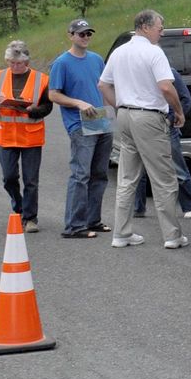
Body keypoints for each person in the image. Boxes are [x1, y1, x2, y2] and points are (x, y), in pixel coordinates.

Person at [98, 9, 187, 250]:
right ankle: (172, 235)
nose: (162, 31)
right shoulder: (153, 52)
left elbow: (103, 84)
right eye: (160, 27)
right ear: (145, 27)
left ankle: (121, 233)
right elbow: (166, 88)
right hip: (148, 117)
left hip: (126, 115)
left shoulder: (119, 52)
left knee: (127, 177)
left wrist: (120, 105)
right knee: (164, 179)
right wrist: (178, 111)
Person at [48, 18, 113, 240]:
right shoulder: (62, 63)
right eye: (81, 34)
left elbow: (104, 86)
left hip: (101, 120)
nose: (85, 37)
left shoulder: (96, 60)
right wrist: (78, 102)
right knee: (81, 174)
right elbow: (53, 94)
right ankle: (74, 225)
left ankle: (92, 220)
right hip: (79, 123)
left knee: (100, 173)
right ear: (71, 36)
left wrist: (116, 106)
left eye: (88, 34)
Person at [0, 40, 52, 233]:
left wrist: (32, 110)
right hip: (6, 136)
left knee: (31, 180)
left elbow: (47, 107)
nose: (15, 66)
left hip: (31, 137)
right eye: (11, 63)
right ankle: (19, 206)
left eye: (19, 63)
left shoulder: (42, 79)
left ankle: (30, 218)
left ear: (26, 62)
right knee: (9, 177)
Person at [134, 67, 191, 219]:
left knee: (178, 169)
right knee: (138, 169)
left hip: (167, 126)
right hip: (143, 125)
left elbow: (185, 99)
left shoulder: (169, 72)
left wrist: (172, 118)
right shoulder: (138, 72)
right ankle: (138, 208)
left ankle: (189, 206)